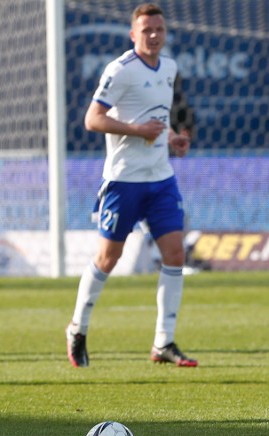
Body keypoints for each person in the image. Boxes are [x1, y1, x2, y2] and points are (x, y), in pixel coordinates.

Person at [65, 3, 196, 368]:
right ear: (133, 34)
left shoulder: (169, 67)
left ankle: (164, 343)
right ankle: (78, 328)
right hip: (124, 181)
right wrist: (137, 132)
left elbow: (156, 117)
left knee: (175, 254)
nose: (154, 35)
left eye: (159, 29)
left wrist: (171, 137)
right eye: (147, 30)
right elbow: (93, 119)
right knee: (109, 258)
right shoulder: (120, 70)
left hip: (161, 179)